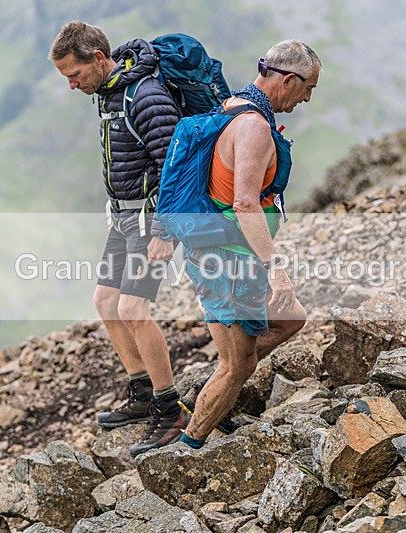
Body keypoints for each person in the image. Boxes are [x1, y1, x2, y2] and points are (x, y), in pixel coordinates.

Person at [49, 21, 183, 457]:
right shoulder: (109, 93)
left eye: (74, 74)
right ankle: (141, 393)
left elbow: (173, 165)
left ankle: (169, 409)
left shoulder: (145, 96)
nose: (72, 85)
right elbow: (122, 161)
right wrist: (115, 214)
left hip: (150, 221)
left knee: (132, 309)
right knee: (106, 302)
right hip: (125, 218)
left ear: (98, 59)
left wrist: (164, 231)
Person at [177, 40, 320, 450]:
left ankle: (214, 387)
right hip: (229, 261)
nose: (307, 98)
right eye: (308, 88)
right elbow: (244, 203)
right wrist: (276, 268)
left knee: (291, 319)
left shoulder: (233, 106)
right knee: (238, 365)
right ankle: (187, 449)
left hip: (222, 254)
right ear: (288, 80)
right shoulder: (254, 127)